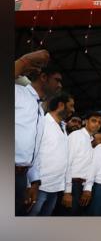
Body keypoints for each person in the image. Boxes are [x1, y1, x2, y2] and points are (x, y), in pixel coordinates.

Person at [15, 50, 59, 216]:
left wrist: (34, 182)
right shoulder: (18, 93)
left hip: (22, 177)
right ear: (43, 77)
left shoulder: (40, 109)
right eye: (57, 80)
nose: (60, 85)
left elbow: (34, 150)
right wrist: (24, 61)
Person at [27, 92, 74, 216]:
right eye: (71, 106)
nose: (73, 110)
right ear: (60, 105)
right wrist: (30, 184)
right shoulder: (42, 123)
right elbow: (31, 153)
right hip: (38, 186)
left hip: (56, 187)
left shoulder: (63, 127)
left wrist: (67, 190)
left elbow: (66, 160)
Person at [62, 112, 101, 215]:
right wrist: (67, 191)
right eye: (94, 121)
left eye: (99, 122)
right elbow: (67, 162)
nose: (97, 124)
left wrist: (87, 188)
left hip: (82, 186)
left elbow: (89, 167)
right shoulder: (76, 135)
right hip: (72, 184)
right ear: (86, 122)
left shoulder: (90, 140)